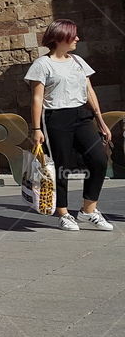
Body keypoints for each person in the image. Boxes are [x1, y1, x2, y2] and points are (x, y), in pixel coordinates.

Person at [25, 19, 114, 232]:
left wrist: (101, 121)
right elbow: (37, 99)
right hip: (56, 118)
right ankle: (63, 213)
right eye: (73, 35)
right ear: (59, 37)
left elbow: (89, 91)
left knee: (99, 159)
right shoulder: (42, 64)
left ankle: (88, 210)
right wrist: (36, 129)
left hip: (82, 115)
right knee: (61, 165)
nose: (77, 38)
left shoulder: (77, 61)